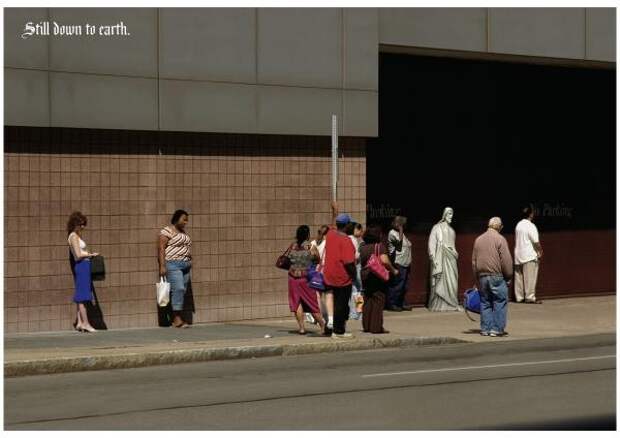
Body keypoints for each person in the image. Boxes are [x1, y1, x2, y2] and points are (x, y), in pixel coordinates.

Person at [472, 217, 513, 337]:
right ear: (499, 227)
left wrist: (476, 278)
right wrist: (508, 275)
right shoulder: (500, 239)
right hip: (497, 276)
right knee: (500, 301)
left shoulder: (478, 240)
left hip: (482, 276)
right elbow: (506, 261)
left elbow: (474, 261)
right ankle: (496, 329)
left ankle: (485, 329)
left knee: (485, 302)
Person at [322, 202, 356, 338]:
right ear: (347, 225)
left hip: (329, 275)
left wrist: (334, 212)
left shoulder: (330, 235)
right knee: (341, 305)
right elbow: (348, 262)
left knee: (331, 303)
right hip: (342, 277)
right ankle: (338, 330)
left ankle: (329, 328)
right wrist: (354, 275)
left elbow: (333, 225)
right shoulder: (346, 240)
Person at [287, 225, 327, 335]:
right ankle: (323, 326)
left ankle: (301, 328)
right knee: (312, 303)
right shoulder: (310, 247)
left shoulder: (292, 246)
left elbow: (289, 259)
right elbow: (317, 259)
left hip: (292, 278)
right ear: (307, 235)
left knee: (297, 303)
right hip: (305, 278)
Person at [360, 225, 399, 334]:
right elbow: (384, 261)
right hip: (376, 276)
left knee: (367, 300)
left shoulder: (363, 247)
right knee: (378, 300)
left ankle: (366, 326)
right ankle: (376, 327)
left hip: (365, 276)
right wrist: (393, 270)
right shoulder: (379, 246)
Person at [159, 209, 192, 328]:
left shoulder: (183, 232)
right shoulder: (167, 231)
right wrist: (162, 266)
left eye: (187, 220)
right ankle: (176, 319)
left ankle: (177, 317)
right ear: (177, 218)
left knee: (181, 291)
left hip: (186, 266)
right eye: (184, 219)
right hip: (173, 265)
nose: (186, 222)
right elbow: (161, 249)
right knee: (178, 289)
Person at [67, 211, 99, 333]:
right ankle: (86, 323)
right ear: (75, 223)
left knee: (82, 294)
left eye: (84, 224)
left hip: (83, 265)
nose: (83, 227)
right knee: (83, 296)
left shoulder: (76, 235)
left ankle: (80, 323)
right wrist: (90, 255)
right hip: (81, 265)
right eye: (81, 224)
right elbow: (78, 255)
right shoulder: (74, 236)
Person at [427, 207, 461, 311]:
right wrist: (433, 257)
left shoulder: (452, 231)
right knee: (439, 280)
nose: (451, 216)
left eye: (452, 214)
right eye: (450, 213)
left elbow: (452, 246)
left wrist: (455, 253)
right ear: (445, 214)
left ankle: (452, 303)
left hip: (451, 259)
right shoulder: (437, 227)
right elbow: (431, 243)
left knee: (453, 282)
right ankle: (437, 305)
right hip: (440, 258)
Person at [514, 205, 543, 304]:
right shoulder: (531, 226)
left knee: (519, 277)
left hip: (518, 254)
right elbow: (535, 242)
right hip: (529, 255)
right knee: (530, 277)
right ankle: (530, 297)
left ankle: (519, 297)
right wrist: (540, 250)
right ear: (531, 214)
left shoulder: (518, 225)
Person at [386, 216, 413, 311]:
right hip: (398, 262)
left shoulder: (401, 233)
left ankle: (401, 303)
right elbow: (399, 242)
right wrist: (401, 229)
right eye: (399, 223)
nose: (401, 226)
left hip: (406, 263)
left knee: (404, 285)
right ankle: (392, 303)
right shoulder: (392, 233)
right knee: (397, 284)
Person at [307, 225, 330, 325]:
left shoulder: (312, 243)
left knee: (316, 295)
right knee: (324, 296)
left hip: (312, 270)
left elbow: (310, 256)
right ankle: (324, 317)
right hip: (323, 270)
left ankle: (317, 317)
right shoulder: (327, 243)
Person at [347, 222, 364, 320]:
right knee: (358, 291)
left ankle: (353, 313)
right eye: (360, 230)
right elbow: (356, 256)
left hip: (349, 269)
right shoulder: (353, 239)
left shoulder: (347, 238)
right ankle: (357, 313)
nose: (361, 232)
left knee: (353, 292)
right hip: (355, 267)